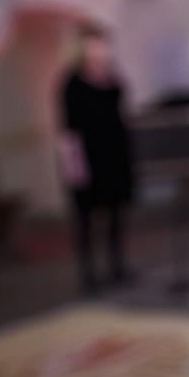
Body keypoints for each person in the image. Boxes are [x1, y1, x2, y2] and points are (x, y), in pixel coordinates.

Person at [59, 25, 136, 293]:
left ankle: (117, 265)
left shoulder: (112, 78)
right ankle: (88, 272)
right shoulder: (72, 82)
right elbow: (68, 129)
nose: (100, 49)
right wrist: (75, 168)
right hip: (88, 156)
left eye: (103, 44)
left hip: (114, 154)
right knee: (86, 217)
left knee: (116, 213)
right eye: (94, 44)